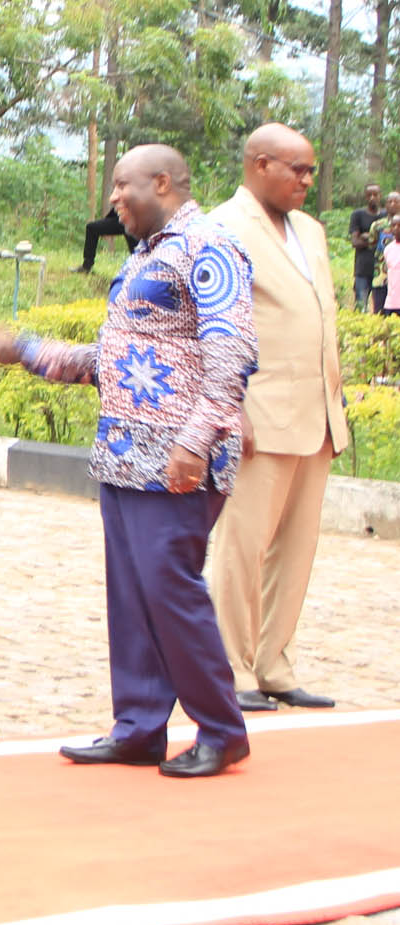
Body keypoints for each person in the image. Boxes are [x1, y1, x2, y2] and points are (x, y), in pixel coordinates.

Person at [0, 144, 258, 778]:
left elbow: (232, 353)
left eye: (121, 184)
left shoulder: (208, 248)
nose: (112, 197)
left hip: (178, 461)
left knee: (170, 587)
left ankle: (221, 728)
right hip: (126, 457)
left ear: (162, 182)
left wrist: (196, 441)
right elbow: (111, 360)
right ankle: (138, 726)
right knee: (133, 594)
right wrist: (24, 349)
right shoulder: (144, 257)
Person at [208, 123, 351, 714]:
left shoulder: (311, 231)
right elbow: (212, 328)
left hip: (315, 414)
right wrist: (228, 407)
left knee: (295, 549)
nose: (307, 181)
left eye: (312, 170)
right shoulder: (222, 228)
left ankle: (274, 664)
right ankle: (231, 667)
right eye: (298, 170)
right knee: (243, 547)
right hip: (258, 417)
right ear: (260, 164)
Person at [73, 206, 138, 274]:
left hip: (136, 221)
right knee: (92, 228)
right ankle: (86, 267)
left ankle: (140, 271)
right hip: (120, 219)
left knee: (138, 250)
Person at [349, 183, 382, 310]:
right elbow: (355, 242)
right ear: (365, 197)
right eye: (369, 195)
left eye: (375, 194)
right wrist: (375, 240)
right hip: (362, 269)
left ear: (380, 196)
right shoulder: (358, 215)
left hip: (381, 271)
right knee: (360, 306)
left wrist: (367, 236)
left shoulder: (385, 215)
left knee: (381, 309)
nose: (372, 197)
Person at [368, 192, 400, 313]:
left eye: (396, 202)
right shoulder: (377, 225)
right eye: (389, 202)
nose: (392, 204)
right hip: (381, 275)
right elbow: (372, 244)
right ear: (385, 205)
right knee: (380, 312)